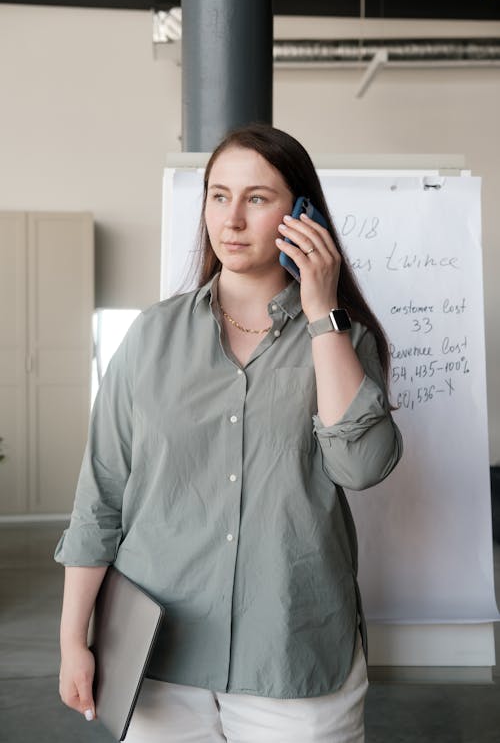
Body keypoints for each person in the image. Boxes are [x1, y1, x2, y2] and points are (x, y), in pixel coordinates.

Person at [55, 123, 403, 743]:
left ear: (302, 215)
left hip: (294, 651)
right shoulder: (150, 338)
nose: (232, 218)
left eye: (258, 198)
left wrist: (323, 313)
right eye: (219, 195)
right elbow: (100, 498)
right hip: (158, 658)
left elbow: (363, 466)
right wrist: (72, 639)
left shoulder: (345, 340)